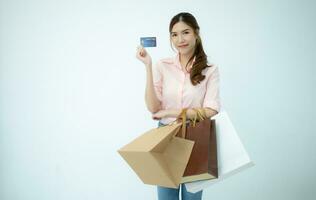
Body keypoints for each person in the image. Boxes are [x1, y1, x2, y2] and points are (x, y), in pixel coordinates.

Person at [136, 12, 220, 200]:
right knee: (166, 197)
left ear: (196, 33)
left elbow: (211, 109)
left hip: (195, 138)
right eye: (174, 34)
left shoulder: (210, 70)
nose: (180, 39)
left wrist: (174, 112)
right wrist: (148, 66)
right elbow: (153, 108)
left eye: (185, 32)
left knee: (192, 198)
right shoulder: (162, 66)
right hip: (165, 136)